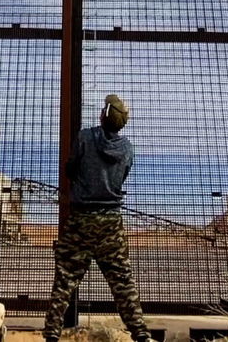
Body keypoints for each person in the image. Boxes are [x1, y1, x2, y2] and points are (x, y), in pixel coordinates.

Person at [43, 94, 149, 342]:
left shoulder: (85, 137)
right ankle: (141, 334)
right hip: (111, 224)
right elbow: (121, 178)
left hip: (81, 220)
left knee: (65, 279)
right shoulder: (127, 148)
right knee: (122, 281)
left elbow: (70, 169)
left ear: (103, 115)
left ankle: (51, 335)